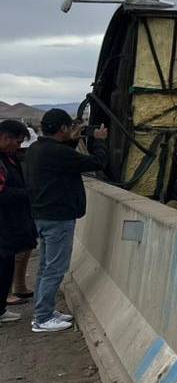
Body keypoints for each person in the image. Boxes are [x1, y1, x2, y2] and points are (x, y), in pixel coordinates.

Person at [23, 109, 108, 333]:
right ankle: (42, 318)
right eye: (70, 127)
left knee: (45, 266)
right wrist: (98, 141)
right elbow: (96, 163)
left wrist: (72, 142)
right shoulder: (57, 153)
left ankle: (44, 311)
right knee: (55, 268)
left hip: (42, 216)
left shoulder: (36, 148)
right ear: (62, 128)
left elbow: (63, 161)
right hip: (58, 219)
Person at [0, 120, 38, 325]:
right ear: (6, 138)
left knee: (6, 267)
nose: (19, 146)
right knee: (3, 267)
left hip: (10, 223)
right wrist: (27, 193)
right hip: (4, 225)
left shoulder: (9, 158)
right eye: (17, 141)